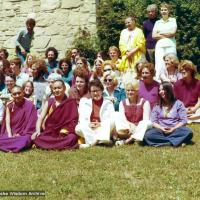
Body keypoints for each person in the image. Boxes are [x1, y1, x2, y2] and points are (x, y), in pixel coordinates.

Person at [32, 80, 79, 150]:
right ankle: (59, 145)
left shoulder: (70, 102)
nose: (57, 90)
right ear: (52, 90)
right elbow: (41, 117)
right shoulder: (50, 101)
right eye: (55, 88)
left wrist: (66, 129)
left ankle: (49, 145)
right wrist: (38, 131)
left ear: (64, 88)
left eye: (59, 88)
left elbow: (74, 120)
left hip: (64, 133)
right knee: (39, 138)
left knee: (72, 137)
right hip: (51, 132)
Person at [144, 82, 193, 147]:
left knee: (188, 132)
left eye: (163, 89)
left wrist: (173, 129)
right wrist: (161, 128)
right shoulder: (157, 105)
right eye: (159, 90)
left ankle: (165, 142)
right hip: (161, 131)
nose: (161, 92)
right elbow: (153, 122)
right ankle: (175, 142)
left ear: (169, 90)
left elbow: (184, 121)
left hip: (175, 130)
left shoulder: (179, 104)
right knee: (147, 135)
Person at [75, 79, 115, 148]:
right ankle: (100, 140)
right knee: (78, 128)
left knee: (110, 122)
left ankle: (90, 144)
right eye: (93, 91)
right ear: (90, 93)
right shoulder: (85, 102)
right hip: (90, 128)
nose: (96, 93)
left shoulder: (108, 103)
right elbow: (82, 119)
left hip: (102, 128)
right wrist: (89, 124)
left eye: (98, 90)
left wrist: (100, 124)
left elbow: (112, 119)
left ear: (102, 90)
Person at [0, 85, 37, 152]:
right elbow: (7, 123)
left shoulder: (30, 105)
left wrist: (20, 134)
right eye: (14, 94)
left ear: (23, 93)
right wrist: (10, 135)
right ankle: (12, 144)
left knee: (25, 140)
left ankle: (8, 145)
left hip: (24, 134)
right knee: (3, 138)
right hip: (11, 132)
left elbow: (31, 124)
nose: (17, 95)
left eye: (19, 93)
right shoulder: (9, 106)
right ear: (11, 95)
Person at [114, 80, 151, 145]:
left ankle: (129, 140)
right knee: (116, 114)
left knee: (147, 122)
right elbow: (123, 119)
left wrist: (136, 127)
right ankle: (134, 137)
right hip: (127, 128)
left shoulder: (145, 102)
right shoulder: (122, 103)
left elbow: (146, 119)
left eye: (132, 90)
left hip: (140, 127)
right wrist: (131, 126)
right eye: (128, 90)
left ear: (137, 91)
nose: (130, 92)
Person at [152, 2, 177, 80]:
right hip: (160, 46)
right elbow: (154, 35)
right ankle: (159, 82)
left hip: (170, 45)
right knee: (159, 64)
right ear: (160, 11)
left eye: (165, 10)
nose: (163, 11)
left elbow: (172, 33)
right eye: (162, 10)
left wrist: (161, 33)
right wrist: (167, 34)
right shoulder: (157, 22)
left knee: (171, 63)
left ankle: (172, 80)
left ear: (168, 11)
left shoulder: (173, 20)